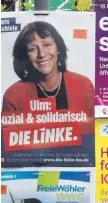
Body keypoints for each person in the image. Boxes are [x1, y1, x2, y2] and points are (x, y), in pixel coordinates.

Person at [1, 21, 94, 166]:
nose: (41, 54)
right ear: (25, 56)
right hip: (31, 175)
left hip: (77, 175)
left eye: (46, 44)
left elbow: (91, 143)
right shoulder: (13, 95)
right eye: (33, 48)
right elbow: (11, 155)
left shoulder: (83, 85)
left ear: (58, 48)